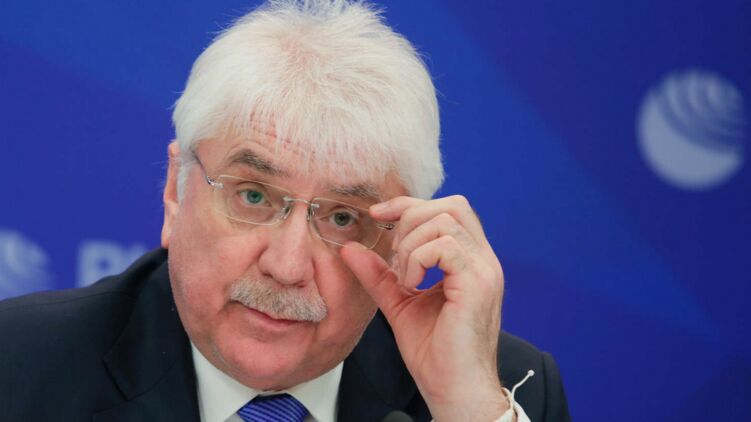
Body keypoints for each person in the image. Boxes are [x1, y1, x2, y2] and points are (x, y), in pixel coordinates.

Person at [0, 1, 570, 421]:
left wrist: (468, 411)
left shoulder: (496, 389)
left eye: (343, 217)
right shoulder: (17, 368)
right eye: (253, 196)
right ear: (176, 190)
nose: (288, 266)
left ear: (399, 240)